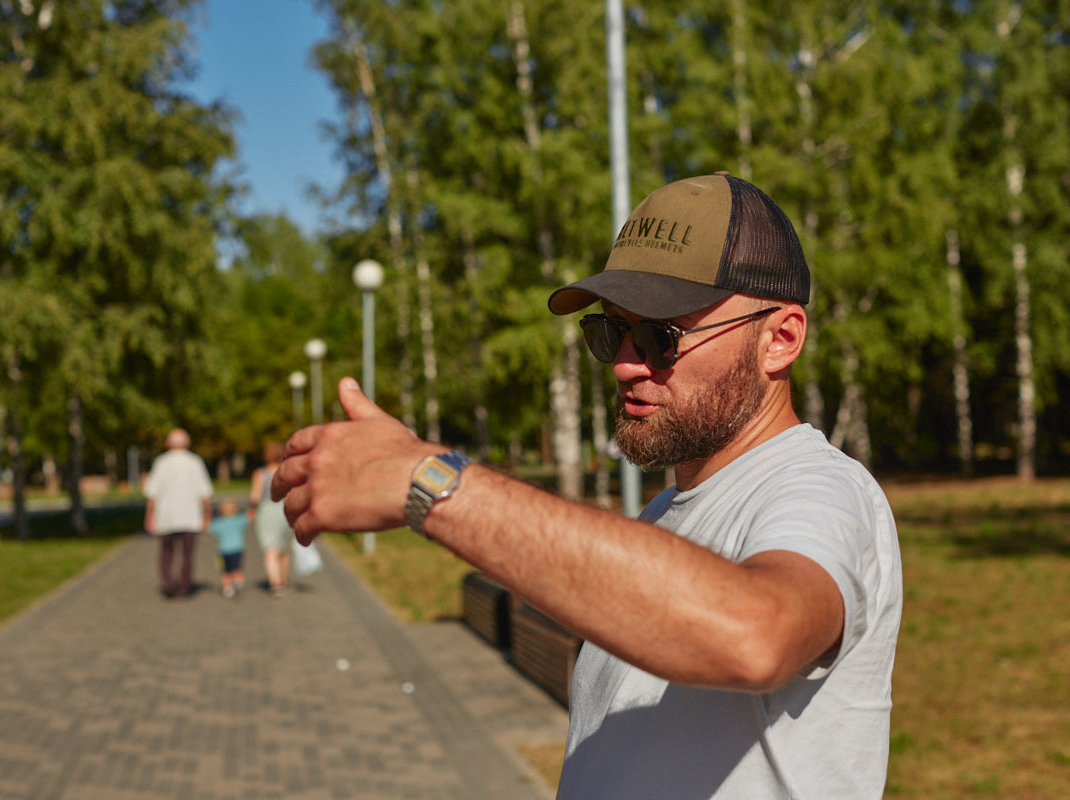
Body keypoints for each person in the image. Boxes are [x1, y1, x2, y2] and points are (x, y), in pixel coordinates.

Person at [270, 172, 903, 798]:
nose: (626, 363)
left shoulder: (821, 490)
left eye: (661, 337)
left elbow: (757, 635)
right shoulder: (663, 513)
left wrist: (430, 482)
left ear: (781, 340)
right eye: (611, 331)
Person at [143, 428, 213, 599]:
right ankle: (184, 587)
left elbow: (153, 493)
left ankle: (168, 583)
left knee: (167, 552)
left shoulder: (161, 462)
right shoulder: (195, 462)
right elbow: (204, 492)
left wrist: (149, 515)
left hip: (166, 516)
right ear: (187, 443)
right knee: (187, 554)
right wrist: (206, 514)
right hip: (189, 516)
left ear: (168, 444)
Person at [249, 442, 293, 597]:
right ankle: (282, 579)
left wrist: (252, 510)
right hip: (285, 510)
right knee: (284, 549)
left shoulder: (260, 473)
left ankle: (276, 584)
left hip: (267, 510)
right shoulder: (287, 472)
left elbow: (255, 495)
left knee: (270, 549)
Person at [208, 498, 248, 598]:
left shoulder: (218, 523)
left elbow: (208, 528)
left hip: (224, 550)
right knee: (237, 568)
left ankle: (227, 588)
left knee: (225, 571)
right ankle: (239, 582)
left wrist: (208, 515)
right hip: (238, 549)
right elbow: (249, 518)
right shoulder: (239, 520)